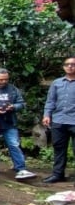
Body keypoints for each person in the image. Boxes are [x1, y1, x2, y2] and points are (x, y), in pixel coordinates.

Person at [0, 68, 36, 180]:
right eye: (1, 79)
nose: (4, 82)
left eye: (6, 79)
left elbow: (21, 103)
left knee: (14, 144)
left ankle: (21, 168)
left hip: (9, 122)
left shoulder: (13, 89)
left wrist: (13, 107)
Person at [42, 56, 75, 184]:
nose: (70, 66)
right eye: (67, 64)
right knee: (59, 148)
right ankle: (58, 174)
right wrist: (47, 115)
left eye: (73, 64)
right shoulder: (57, 83)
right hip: (59, 120)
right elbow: (51, 101)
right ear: (63, 67)